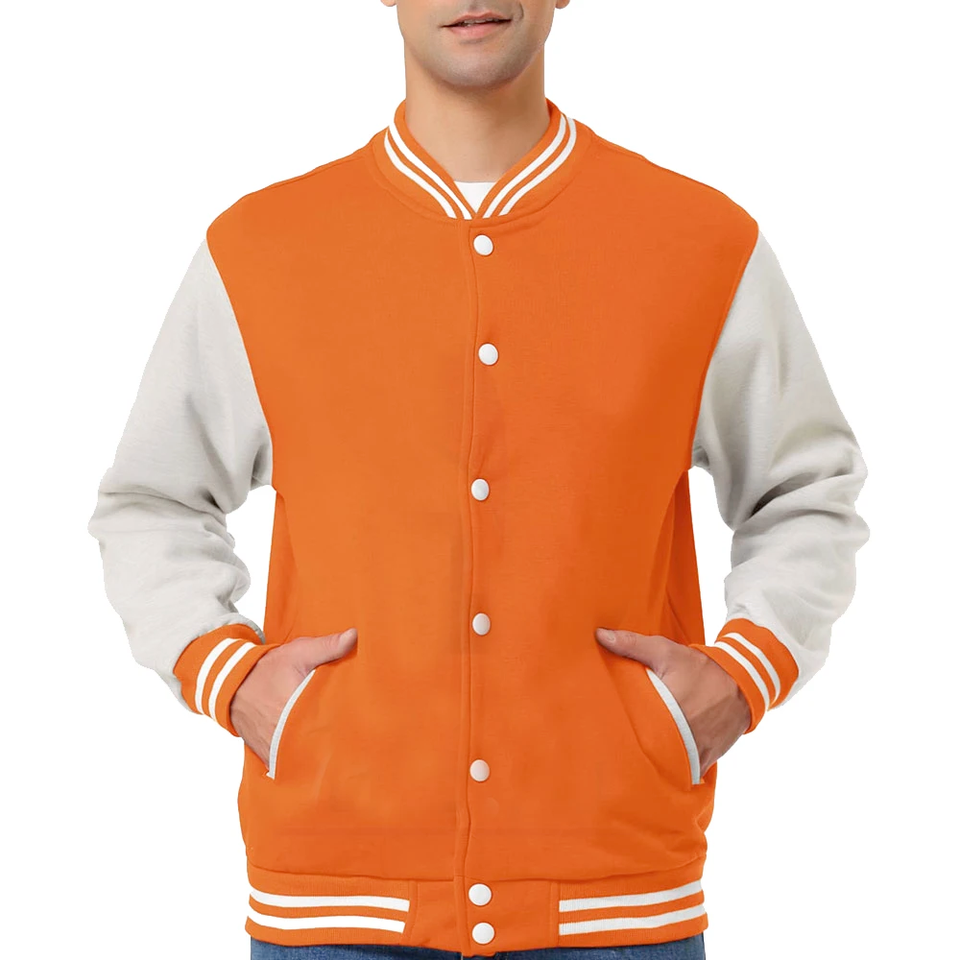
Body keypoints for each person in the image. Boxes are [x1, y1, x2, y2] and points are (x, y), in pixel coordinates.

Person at [86, 2, 870, 958]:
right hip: (334, 897)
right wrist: (233, 677)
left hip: (616, 897)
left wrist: (744, 676)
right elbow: (154, 502)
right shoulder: (261, 248)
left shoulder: (700, 242)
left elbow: (806, 490)